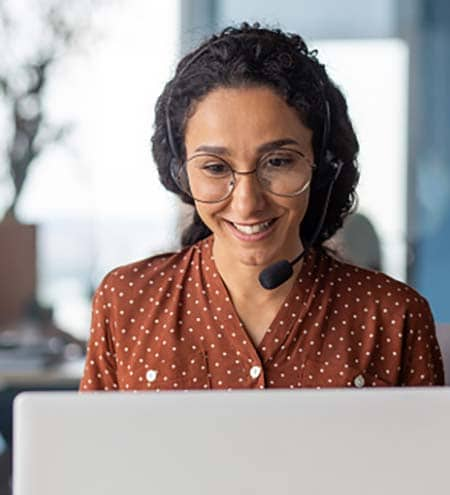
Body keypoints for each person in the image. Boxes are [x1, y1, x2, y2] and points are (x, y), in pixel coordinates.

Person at [80, 23, 444, 391]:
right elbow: (89, 449)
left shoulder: (393, 316)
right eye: (216, 168)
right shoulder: (127, 302)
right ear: (181, 174)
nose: (247, 202)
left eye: (278, 162)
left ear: (324, 166)